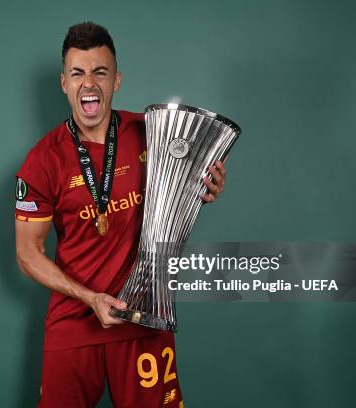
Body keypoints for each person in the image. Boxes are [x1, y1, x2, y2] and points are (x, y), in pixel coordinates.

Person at [14, 22, 227, 408]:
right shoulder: (43, 160)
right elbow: (28, 254)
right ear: (64, 83)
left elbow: (183, 191)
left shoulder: (152, 134)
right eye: (78, 73)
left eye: (101, 72)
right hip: (74, 326)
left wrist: (204, 190)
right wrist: (89, 297)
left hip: (145, 318)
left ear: (117, 80)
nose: (89, 83)